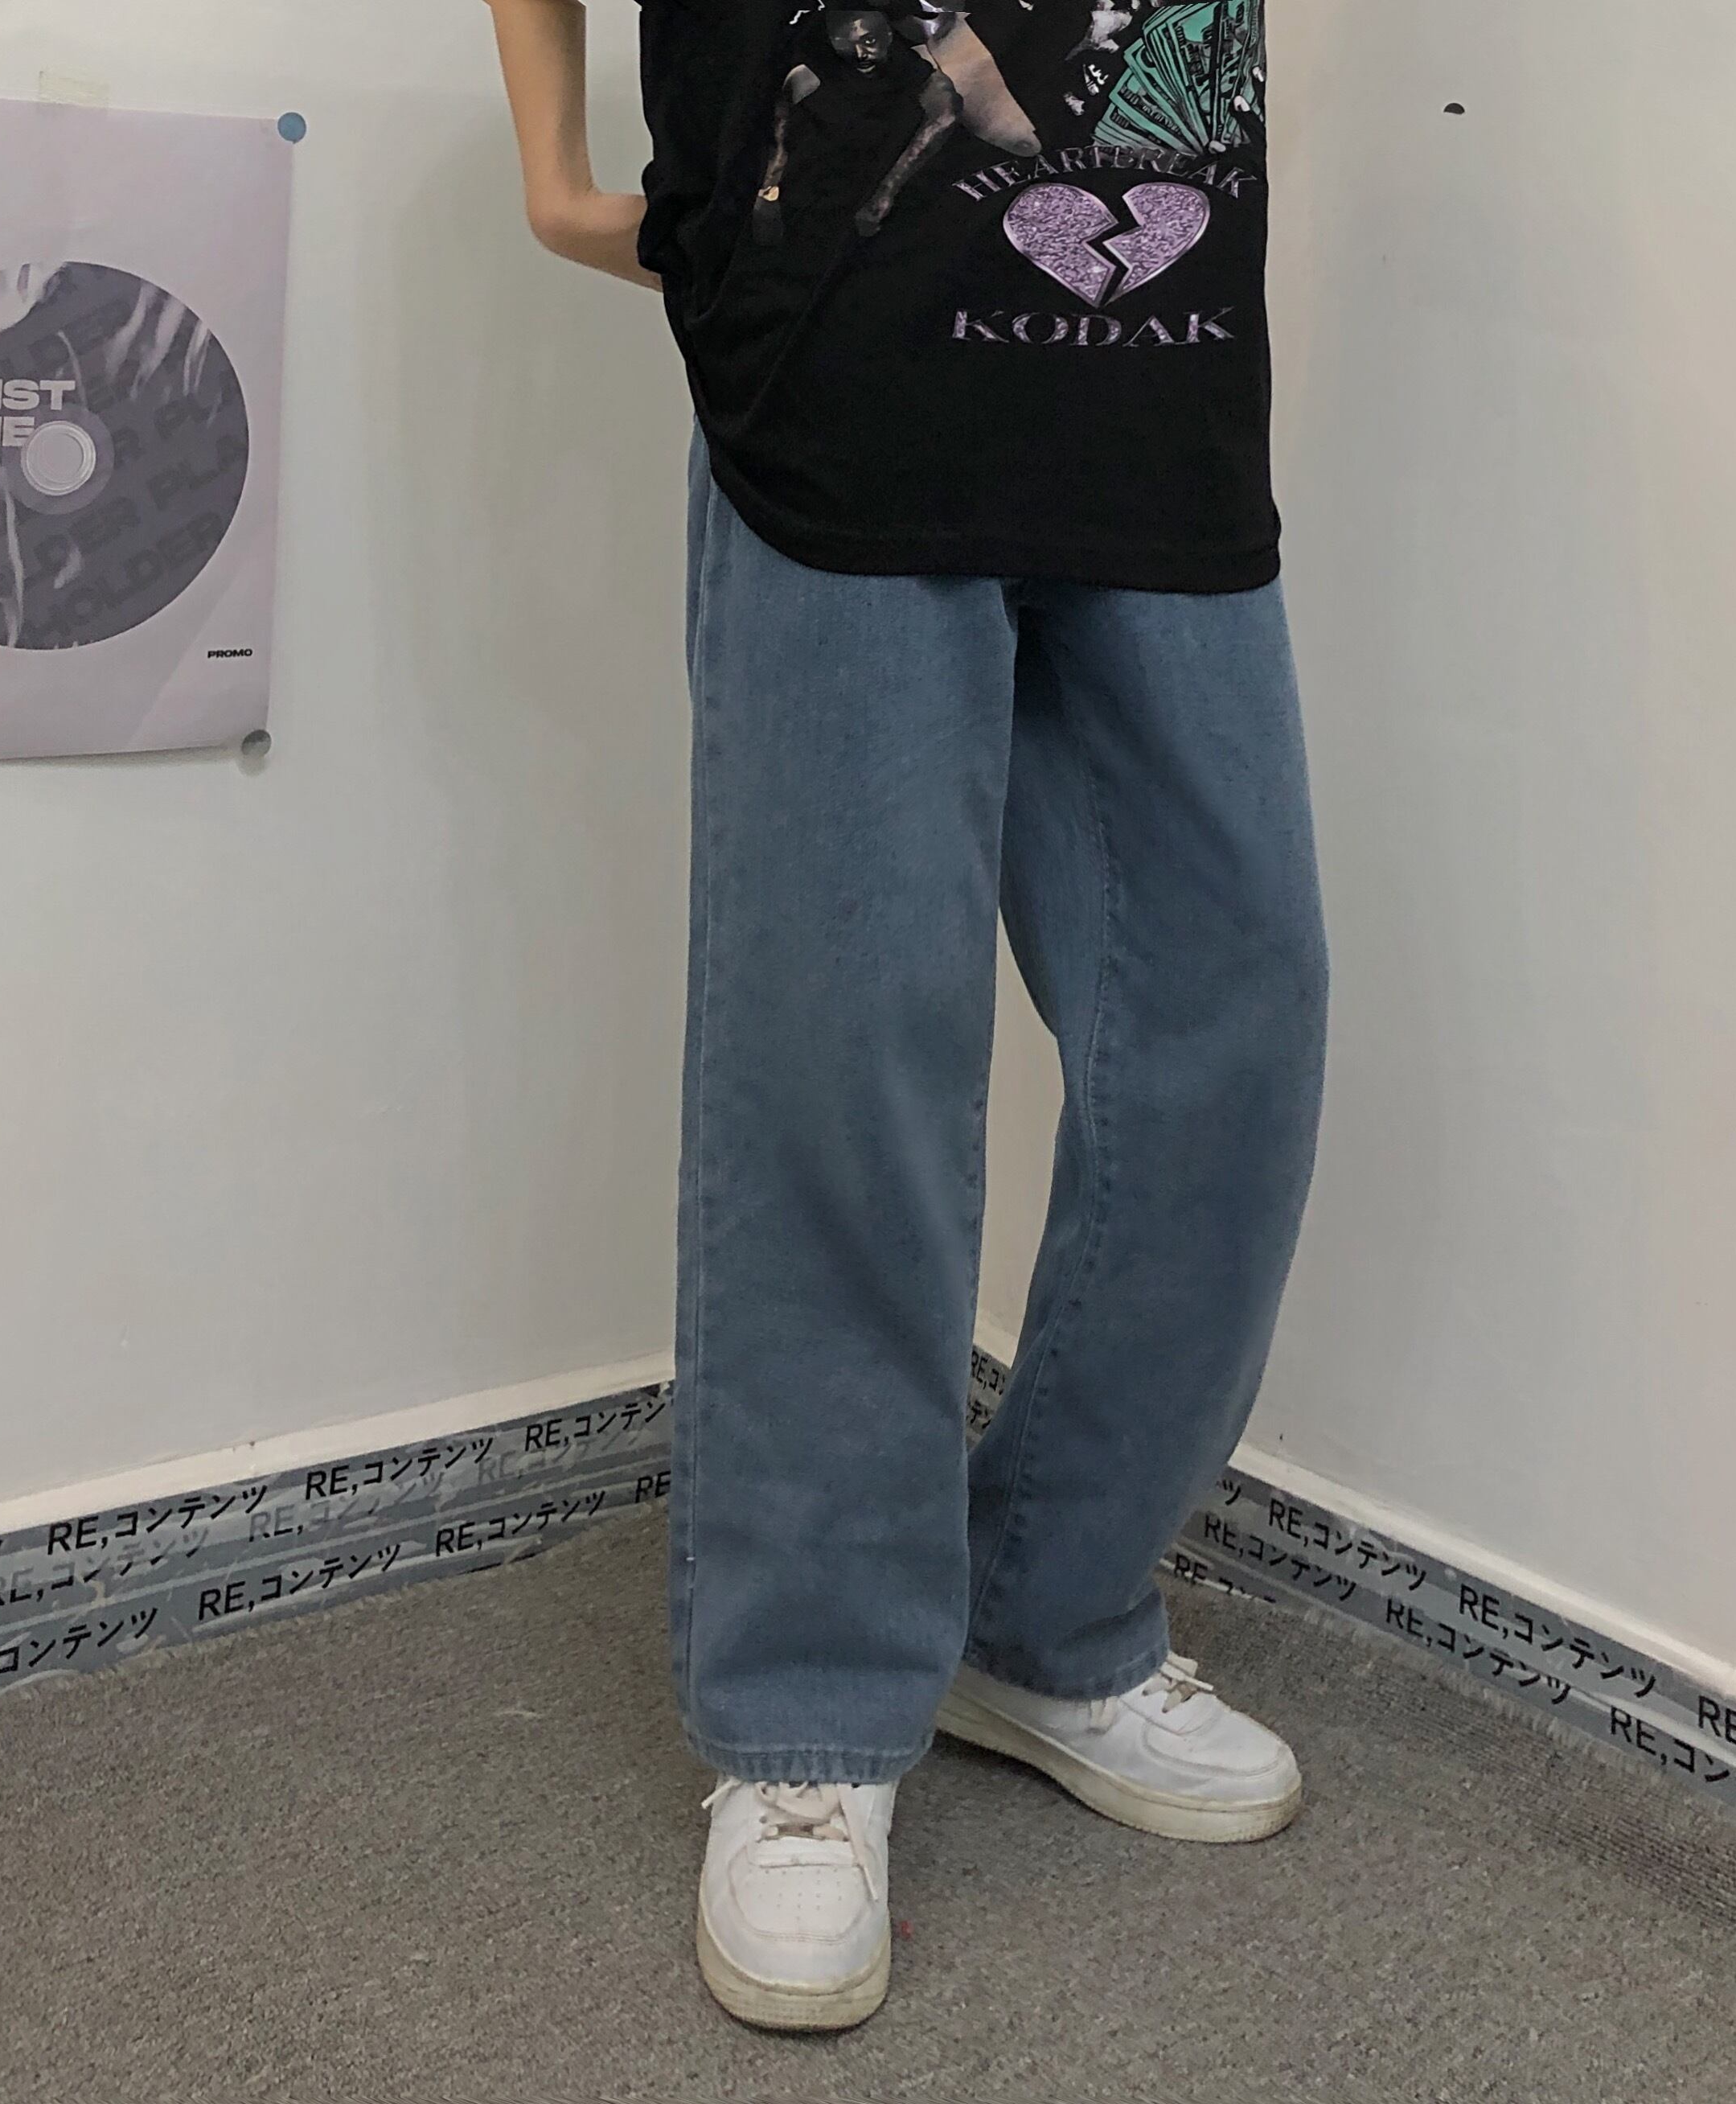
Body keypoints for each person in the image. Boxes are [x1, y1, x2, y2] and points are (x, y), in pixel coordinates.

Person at [487, 0, 1326, 2034]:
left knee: (1233, 1014)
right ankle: (808, 1708)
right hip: (838, 379)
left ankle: (1046, 1611)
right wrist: (554, 177)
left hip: (1157, 385)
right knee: (847, 1040)